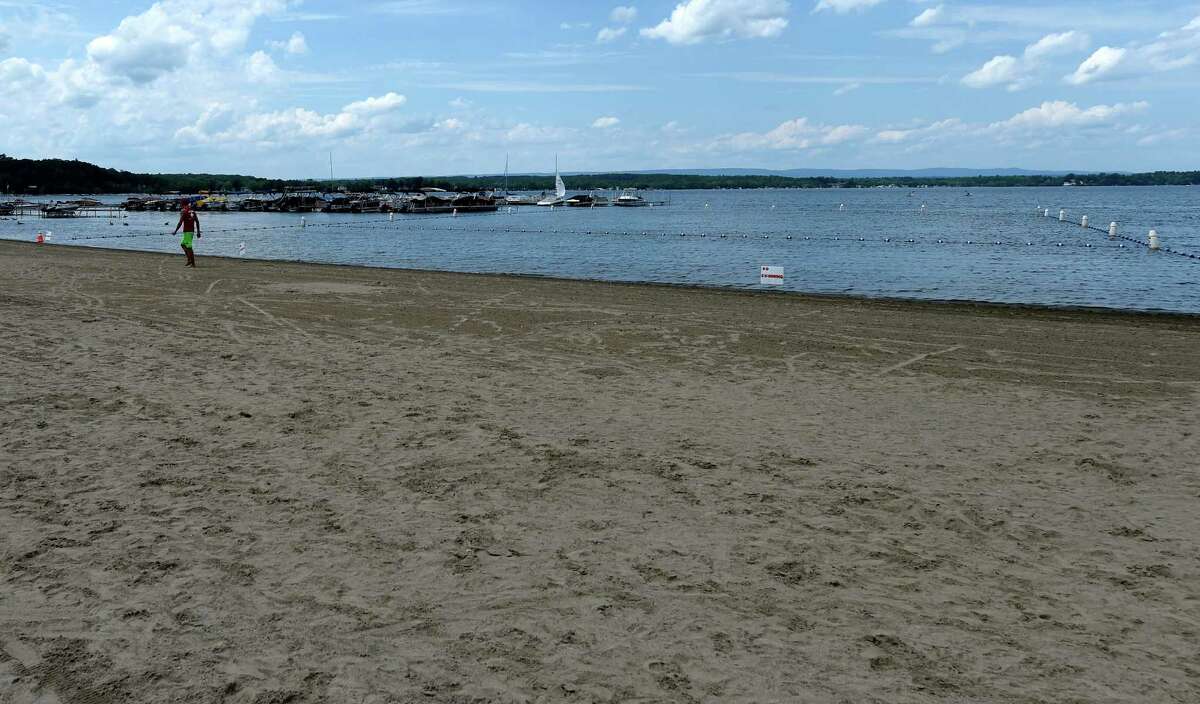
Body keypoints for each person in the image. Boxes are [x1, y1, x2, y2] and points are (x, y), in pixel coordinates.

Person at [173, 201, 201, 267]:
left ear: (183, 205)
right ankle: (189, 260)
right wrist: (198, 232)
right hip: (190, 232)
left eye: (181, 205)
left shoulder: (184, 212)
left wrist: (175, 231)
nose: (181, 206)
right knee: (183, 244)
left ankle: (193, 263)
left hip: (188, 232)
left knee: (189, 247)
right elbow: (197, 222)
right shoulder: (193, 212)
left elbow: (180, 222)